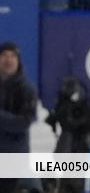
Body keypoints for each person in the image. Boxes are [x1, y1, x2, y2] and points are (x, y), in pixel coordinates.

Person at [0, 41, 37, 193]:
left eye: (12, 56)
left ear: (18, 61)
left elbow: (24, 122)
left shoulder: (27, 89)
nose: (8, 60)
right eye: (4, 55)